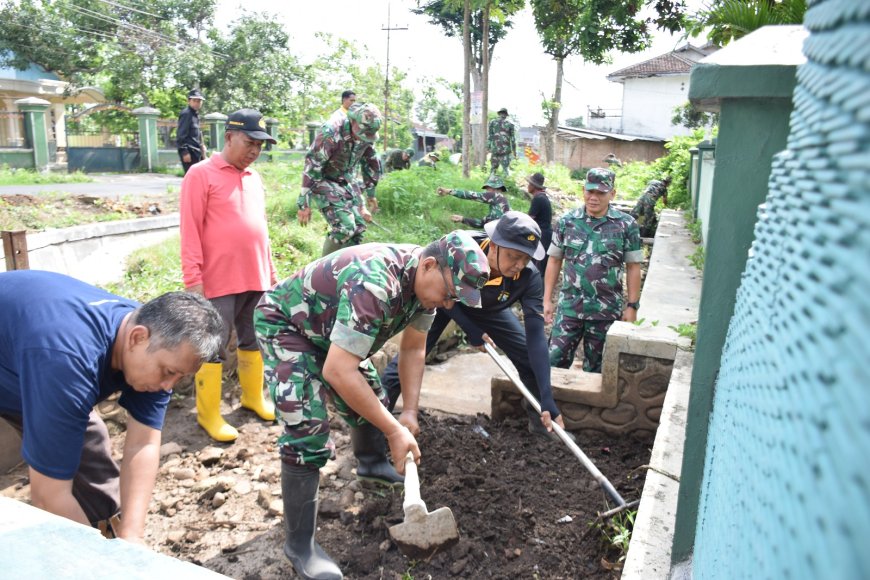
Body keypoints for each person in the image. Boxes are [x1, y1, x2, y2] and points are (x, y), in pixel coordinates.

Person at [254, 231, 490, 580]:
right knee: (309, 431)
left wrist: (408, 412)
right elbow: (337, 370)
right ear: (429, 266)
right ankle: (300, 547)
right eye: (450, 294)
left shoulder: (425, 289)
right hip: (289, 326)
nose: (449, 304)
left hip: (328, 329)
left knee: (373, 399)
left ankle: (370, 463)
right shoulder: (375, 286)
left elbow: (412, 349)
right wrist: (394, 430)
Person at [0, 270, 223, 544]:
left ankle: (110, 533)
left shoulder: (153, 339)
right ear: (137, 338)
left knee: (89, 443)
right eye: (167, 372)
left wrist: (132, 536)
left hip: (27, 358)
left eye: (179, 376)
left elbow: (143, 444)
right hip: (36, 356)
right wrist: (101, 564)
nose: (169, 386)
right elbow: (48, 495)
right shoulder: (68, 361)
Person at [381, 211, 570, 439]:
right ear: (494, 245)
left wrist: (547, 396)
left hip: (489, 309)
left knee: (529, 359)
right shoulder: (462, 249)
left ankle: (541, 422)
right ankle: (377, 428)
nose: (519, 265)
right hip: (445, 300)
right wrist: (471, 331)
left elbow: (536, 337)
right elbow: (444, 293)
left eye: (526, 258)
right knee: (408, 358)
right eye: (513, 256)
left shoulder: (529, 278)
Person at [180, 108, 279, 442]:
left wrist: (272, 272)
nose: (254, 151)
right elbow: (190, 230)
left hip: (256, 276)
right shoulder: (200, 174)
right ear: (229, 137)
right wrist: (193, 279)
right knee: (213, 345)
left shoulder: (254, 179)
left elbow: (260, 230)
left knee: (254, 339)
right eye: (250, 142)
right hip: (218, 280)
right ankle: (209, 413)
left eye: (260, 146)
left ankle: (253, 397)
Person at [543, 168, 642, 373]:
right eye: (590, 191)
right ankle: (547, 404)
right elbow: (554, 261)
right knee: (552, 361)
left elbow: (633, 267)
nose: (594, 197)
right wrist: (547, 300)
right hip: (569, 308)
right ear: (583, 190)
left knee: (599, 369)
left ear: (612, 194)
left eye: (601, 193)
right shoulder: (567, 222)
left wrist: (632, 306)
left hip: (605, 312)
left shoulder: (626, 225)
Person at [297, 102, 382, 257]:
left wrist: (369, 195)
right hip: (322, 179)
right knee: (345, 227)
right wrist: (304, 202)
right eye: (363, 131)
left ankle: (344, 269)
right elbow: (313, 166)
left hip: (346, 180)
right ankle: (322, 272)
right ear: (352, 121)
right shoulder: (330, 132)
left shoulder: (365, 136)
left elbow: (371, 164)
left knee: (358, 227)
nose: (365, 137)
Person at [437, 176, 511, 228]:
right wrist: (462, 219)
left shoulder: (496, 196)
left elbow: (472, 195)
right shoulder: (500, 206)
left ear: (495, 188)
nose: (486, 191)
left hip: (501, 237)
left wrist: (449, 191)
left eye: (488, 188)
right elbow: (482, 223)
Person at [525, 172, 552, 278]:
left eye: (529, 184)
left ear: (533, 186)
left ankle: (538, 292)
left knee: (537, 268)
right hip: (545, 235)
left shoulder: (538, 198)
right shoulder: (543, 197)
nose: (528, 186)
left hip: (542, 236)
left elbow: (529, 220)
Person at [177, 89, 207, 175]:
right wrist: (184, 152)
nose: (197, 103)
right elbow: (181, 134)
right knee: (192, 178)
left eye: (199, 101)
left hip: (196, 152)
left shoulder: (195, 114)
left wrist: (202, 146)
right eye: (194, 100)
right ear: (189, 101)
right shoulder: (186, 114)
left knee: (200, 178)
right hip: (189, 152)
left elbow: (197, 133)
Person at [487, 107, 516, 177]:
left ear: (499, 114)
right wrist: (514, 151)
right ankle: (506, 185)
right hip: (505, 151)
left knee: (493, 169)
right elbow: (513, 139)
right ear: (506, 115)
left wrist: (488, 147)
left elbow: (490, 136)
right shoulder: (510, 124)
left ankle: (490, 184)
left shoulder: (492, 122)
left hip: (495, 149)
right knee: (505, 169)